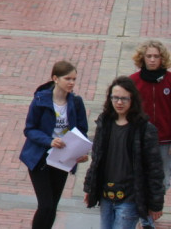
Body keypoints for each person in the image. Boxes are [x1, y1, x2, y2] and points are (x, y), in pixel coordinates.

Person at [83, 76, 165, 229]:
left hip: (130, 198)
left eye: (124, 99)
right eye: (115, 98)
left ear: (132, 99)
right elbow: (96, 160)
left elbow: (154, 170)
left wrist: (156, 203)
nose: (119, 102)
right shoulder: (105, 124)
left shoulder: (145, 129)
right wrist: (90, 187)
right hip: (106, 196)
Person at [20, 60, 89, 229]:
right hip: (40, 158)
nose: (72, 83)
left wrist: (80, 152)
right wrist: (49, 141)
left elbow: (82, 130)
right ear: (55, 78)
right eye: (68, 79)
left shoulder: (76, 102)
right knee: (46, 205)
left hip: (63, 158)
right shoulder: (40, 100)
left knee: (52, 207)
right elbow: (30, 129)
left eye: (74, 79)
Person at [131, 40, 171, 226]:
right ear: (143, 58)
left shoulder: (170, 81)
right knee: (141, 176)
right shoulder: (133, 82)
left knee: (162, 179)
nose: (153, 60)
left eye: (156, 56)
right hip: (141, 140)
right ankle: (145, 216)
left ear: (162, 58)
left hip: (165, 140)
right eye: (149, 56)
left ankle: (152, 207)